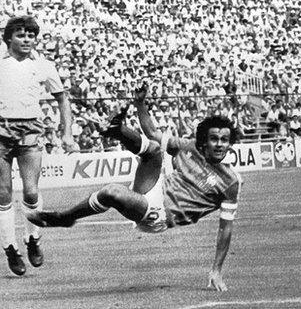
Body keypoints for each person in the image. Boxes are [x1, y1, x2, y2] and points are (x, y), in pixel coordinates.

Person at [28, 86, 242, 291]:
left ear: (230, 143)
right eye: (214, 139)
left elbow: (226, 230)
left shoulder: (231, 182)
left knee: (111, 192)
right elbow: (152, 132)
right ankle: (117, 131)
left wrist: (216, 270)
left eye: (225, 140)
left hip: (160, 216)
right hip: (155, 187)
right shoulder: (190, 147)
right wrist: (140, 104)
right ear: (204, 141)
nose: (220, 144)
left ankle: (66, 217)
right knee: (154, 150)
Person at [0, 16, 79, 276]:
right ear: (9, 37)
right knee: (2, 193)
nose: (27, 40)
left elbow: (62, 98)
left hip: (30, 129)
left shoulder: (44, 65)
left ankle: (33, 239)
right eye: (21, 35)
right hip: (0, 129)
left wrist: (67, 133)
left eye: (31, 36)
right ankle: (10, 248)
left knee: (31, 193)